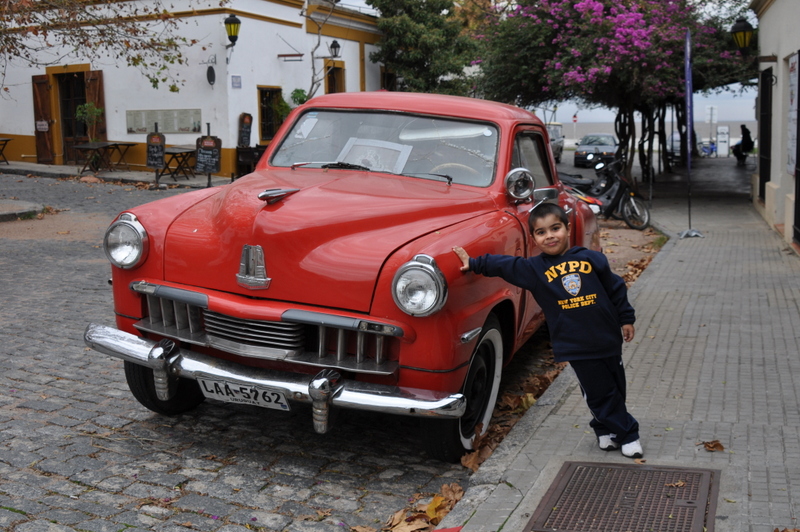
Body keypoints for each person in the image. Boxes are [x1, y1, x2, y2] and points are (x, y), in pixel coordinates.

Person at [452, 202, 643, 458]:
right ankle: (628, 433)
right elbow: (504, 264)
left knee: (615, 388)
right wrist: (474, 263)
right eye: (541, 232)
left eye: (555, 228)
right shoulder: (534, 269)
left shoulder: (591, 258)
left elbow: (616, 288)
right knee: (600, 391)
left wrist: (626, 319)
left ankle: (603, 429)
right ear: (534, 239)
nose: (550, 235)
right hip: (577, 346)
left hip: (608, 338)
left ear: (567, 228)